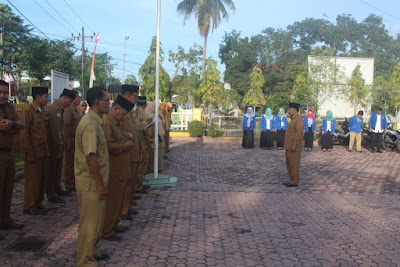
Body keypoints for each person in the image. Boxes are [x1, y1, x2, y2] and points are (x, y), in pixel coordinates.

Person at [75, 86, 111, 265]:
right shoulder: (90, 124)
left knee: (96, 222)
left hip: (96, 182)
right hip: (90, 184)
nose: (109, 103)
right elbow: (91, 157)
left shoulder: (97, 121)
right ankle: (85, 261)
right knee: (89, 225)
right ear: (97, 102)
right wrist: (100, 185)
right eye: (107, 99)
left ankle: (93, 251)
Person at [101, 95, 134, 242]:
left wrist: (125, 137)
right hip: (114, 169)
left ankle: (114, 224)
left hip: (121, 169)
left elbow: (116, 139)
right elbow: (107, 146)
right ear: (115, 109)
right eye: (122, 114)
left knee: (118, 201)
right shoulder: (107, 123)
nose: (123, 117)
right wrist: (125, 145)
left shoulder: (116, 123)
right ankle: (106, 230)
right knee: (112, 202)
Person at [0, 80, 25, 239]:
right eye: (0, 92)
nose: (3, 95)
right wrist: (12, 127)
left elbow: (20, 125)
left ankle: (5, 220)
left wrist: (13, 124)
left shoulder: (9, 106)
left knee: (8, 189)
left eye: (5, 92)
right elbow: (3, 126)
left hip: (8, 153)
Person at [20, 87, 50, 215]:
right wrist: (29, 152)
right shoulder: (28, 110)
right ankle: (29, 206)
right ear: (37, 97)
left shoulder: (42, 110)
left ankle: (38, 203)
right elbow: (25, 132)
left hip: (43, 150)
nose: (47, 99)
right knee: (33, 180)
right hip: (34, 150)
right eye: (45, 96)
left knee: (41, 179)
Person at [46, 89, 76, 204]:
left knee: (57, 169)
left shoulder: (60, 109)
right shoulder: (55, 109)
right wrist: (59, 147)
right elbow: (55, 130)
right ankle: (51, 193)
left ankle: (57, 189)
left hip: (58, 144)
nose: (69, 104)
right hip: (53, 145)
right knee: (52, 170)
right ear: (64, 98)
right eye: (69, 101)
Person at [120, 85, 141, 220]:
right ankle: (123, 211)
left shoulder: (130, 111)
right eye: (135, 96)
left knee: (132, 183)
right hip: (127, 154)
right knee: (126, 184)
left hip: (134, 154)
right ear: (127, 95)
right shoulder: (120, 111)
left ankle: (127, 208)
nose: (136, 99)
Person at [282, 102, 304, 187]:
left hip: (294, 147)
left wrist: (295, 145)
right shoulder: (292, 119)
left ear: (295, 110)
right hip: (289, 146)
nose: (289, 111)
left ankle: (295, 181)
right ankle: (291, 179)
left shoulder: (299, 120)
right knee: (289, 164)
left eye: (290, 109)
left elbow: (298, 134)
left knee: (294, 164)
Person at [135, 96, 154, 193]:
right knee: (143, 166)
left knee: (139, 165)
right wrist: (152, 143)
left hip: (137, 142)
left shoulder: (134, 113)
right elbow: (148, 131)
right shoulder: (145, 116)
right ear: (146, 104)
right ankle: (138, 186)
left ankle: (138, 184)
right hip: (144, 143)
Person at [63, 91, 80, 192]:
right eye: (77, 98)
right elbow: (67, 126)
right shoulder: (69, 110)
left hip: (75, 138)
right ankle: (69, 183)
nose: (78, 100)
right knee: (69, 162)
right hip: (71, 138)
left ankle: (72, 182)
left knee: (73, 162)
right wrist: (68, 140)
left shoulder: (74, 110)